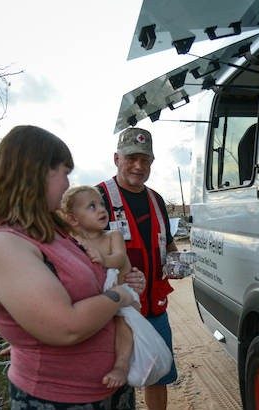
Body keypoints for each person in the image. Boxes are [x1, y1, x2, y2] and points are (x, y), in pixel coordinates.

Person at [0, 125, 147, 409]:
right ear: (36, 172)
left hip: (108, 390)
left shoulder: (51, 230)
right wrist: (121, 296)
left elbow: (92, 274)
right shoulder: (2, 245)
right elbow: (66, 328)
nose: (67, 184)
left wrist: (129, 277)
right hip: (60, 398)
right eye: (64, 172)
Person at [97, 127, 178, 410]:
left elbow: (168, 244)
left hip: (154, 308)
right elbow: (79, 251)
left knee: (158, 374)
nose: (138, 166)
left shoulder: (156, 200)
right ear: (116, 158)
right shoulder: (98, 198)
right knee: (112, 381)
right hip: (114, 312)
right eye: (131, 158)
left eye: (145, 160)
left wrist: (177, 262)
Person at [60, 185, 134, 389]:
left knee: (123, 322)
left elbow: (119, 259)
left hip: (122, 297)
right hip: (97, 300)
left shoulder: (113, 236)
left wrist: (104, 259)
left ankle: (122, 364)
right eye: (92, 207)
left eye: (101, 204)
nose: (102, 210)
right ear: (73, 219)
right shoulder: (72, 241)